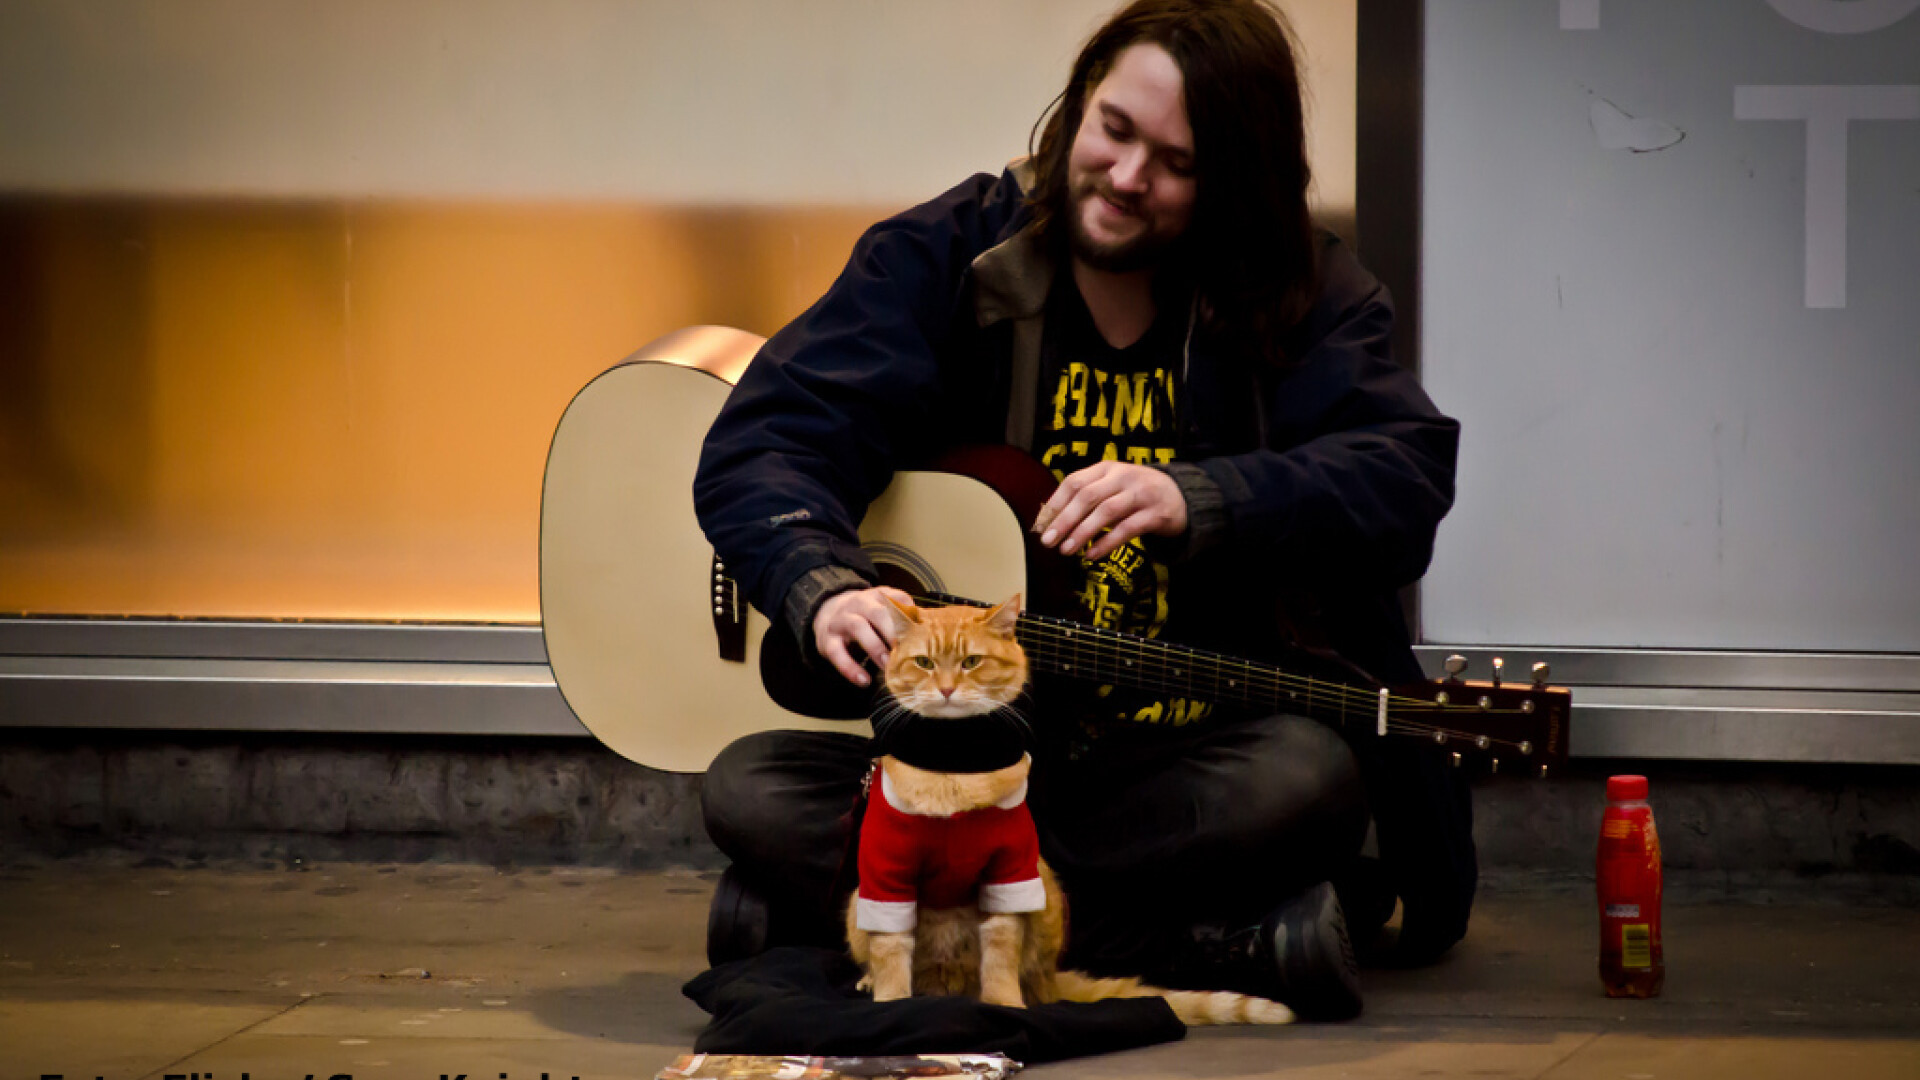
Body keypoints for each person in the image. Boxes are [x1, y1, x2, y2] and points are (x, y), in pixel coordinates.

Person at [692, 0, 1473, 1020]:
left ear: (1232, 177)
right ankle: (1216, 945)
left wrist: (1206, 496)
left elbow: (1402, 474)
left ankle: (892, 923)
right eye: (1114, 129)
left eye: (1178, 163)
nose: (1127, 176)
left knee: (1305, 781)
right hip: (962, 764)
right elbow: (771, 435)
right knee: (748, 786)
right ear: (1077, 107)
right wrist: (816, 583)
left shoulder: (1307, 294)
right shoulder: (949, 257)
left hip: (1172, 764)